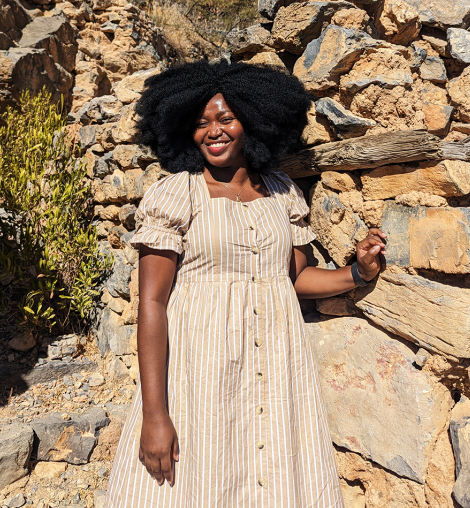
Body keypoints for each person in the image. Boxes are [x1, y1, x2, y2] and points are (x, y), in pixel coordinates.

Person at [105, 60, 386, 508]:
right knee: (201, 478)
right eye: (200, 123)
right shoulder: (176, 194)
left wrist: (358, 272)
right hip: (200, 370)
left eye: (225, 119)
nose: (212, 131)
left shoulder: (281, 192)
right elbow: (153, 303)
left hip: (274, 364)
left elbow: (294, 278)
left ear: (253, 122)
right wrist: (155, 415)